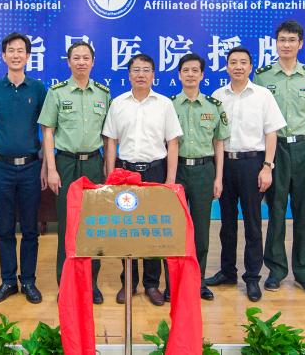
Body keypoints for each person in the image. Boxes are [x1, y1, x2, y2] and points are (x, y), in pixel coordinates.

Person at [102, 54, 183, 306]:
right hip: (125, 173)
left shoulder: (164, 104)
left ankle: (151, 284)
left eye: (146, 70)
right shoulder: (118, 103)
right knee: (126, 229)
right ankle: (128, 282)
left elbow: (172, 142)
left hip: (155, 172)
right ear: (129, 74)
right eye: (136, 70)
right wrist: (110, 176)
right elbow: (111, 142)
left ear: (153, 75)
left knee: (153, 229)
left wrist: (170, 180)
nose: (141, 74)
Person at [251, 20, 305, 295]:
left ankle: (304, 272)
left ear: (301, 44)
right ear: (276, 43)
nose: (286, 45)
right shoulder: (263, 76)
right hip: (276, 149)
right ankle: (276, 271)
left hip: (304, 148)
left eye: (292, 40)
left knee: (304, 214)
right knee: (277, 212)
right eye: (282, 40)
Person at [207, 47, 285, 302]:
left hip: (253, 164)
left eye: (243, 62)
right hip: (226, 164)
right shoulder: (218, 96)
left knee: (253, 224)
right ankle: (228, 272)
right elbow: (216, 137)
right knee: (227, 224)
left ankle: (252, 277)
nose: (238, 66)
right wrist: (217, 174)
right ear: (226, 67)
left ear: (251, 67)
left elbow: (271, 133)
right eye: (233, 62)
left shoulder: (262, 95)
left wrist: (267, 166)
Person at [39, 42, 111, 304]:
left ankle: (92, 283)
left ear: (93, 62)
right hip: (65, 164)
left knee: (93, 226)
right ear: (68, 62)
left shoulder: (103, 93)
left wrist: (108, 168)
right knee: (67, 227)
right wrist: (51, 169)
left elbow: (108, 136)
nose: (81, 62)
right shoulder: (57, 93)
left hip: (93, 163)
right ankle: (67, 283)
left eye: (86, 58)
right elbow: (48, 131)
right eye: (76, 58)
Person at [0, 33, 48, 304]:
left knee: (30, 228)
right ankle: (8, 281)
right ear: (3, 55)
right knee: (5, 228)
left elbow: (47, 129)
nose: (16, 55)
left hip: (31, 167)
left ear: (28, 56)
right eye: (11, 50)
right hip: (2, 167)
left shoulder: (38, 89)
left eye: (21, 50)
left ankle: (28, 281)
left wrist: (45, 165)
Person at [171, 53, 230, 301]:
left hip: (205, 170)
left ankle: (198, 281)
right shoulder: (169, 105)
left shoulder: (214, 106)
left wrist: (218, 178)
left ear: (202, 75)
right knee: (175, 230)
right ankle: (173, 284)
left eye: (195, 70)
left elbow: (219, 143)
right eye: (186, 70)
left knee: (201, 231)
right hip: (177, 170)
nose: (190, 74)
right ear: (179, 75)